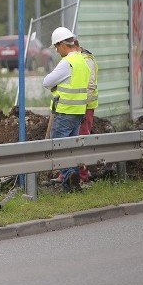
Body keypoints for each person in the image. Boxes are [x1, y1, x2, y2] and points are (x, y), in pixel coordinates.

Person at [43, 26, 91, 192]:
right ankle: (74, 182)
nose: (56, 51)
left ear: (62, 45)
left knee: (59, 147)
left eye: (56, 47)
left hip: (65, 112)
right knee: (71, 148)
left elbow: (47, 82)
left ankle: (70, 178)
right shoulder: (83, 61)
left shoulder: (67, 63)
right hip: (78, 112)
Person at [76, 39, 99, 182]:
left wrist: (82, 106)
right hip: (76, 107)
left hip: (85, 108)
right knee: (73, 140)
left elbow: (90, 86)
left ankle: (83, 176)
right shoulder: (77, 59)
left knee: (82, 139)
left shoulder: (87, 61)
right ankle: (69, 173)